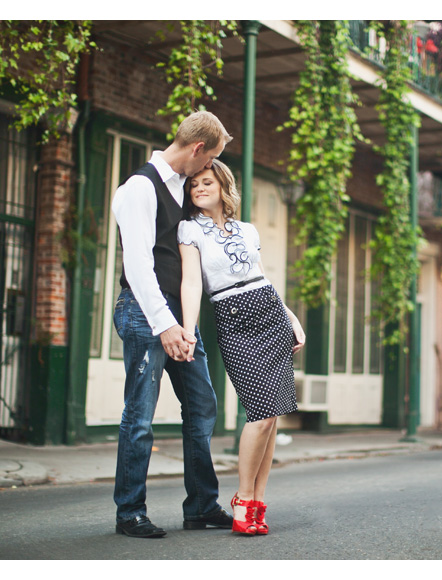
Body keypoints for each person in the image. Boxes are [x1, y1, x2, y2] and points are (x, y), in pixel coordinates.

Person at [111, 111, 234, 538]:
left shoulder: (183, 188)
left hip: (180, 320)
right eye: (209, 158)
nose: (207, 170)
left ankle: (201, 506)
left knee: (201, 406)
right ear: (197, 149)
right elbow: (139, 266)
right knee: (140, 415)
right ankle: (130, 512)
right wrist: (166, 327)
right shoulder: (139, 189)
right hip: (147, 315)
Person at [178, 159, 305, 535]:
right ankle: (243, 498)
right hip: (234, 319)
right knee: (261, 413)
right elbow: (191, 283)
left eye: (206, 182)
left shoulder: (247, 230)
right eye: (193, 185)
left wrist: (292, 318)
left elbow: (261, 276)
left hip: (270, 312)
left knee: (273, 415)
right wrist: (188, 329)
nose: (198, 189)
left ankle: (257, 501)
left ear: (223, 186)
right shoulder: (189, 230)